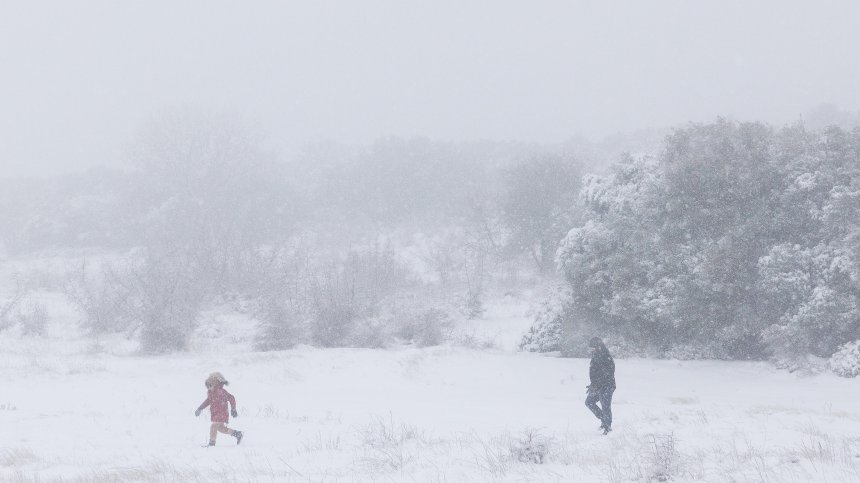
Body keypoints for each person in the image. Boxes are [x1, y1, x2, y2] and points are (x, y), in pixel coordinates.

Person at [195, 372, 244, 446]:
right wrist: (200, 408)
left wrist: (233, 408)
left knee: (213, 426)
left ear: (216, 383)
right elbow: (208, 401)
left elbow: (231, 398)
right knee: (221, 429)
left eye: (210, 384)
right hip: (215, 413)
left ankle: (212, 443)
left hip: (222, 413)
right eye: (208, 385)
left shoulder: (221, 392)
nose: (209, 387)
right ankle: (237, 434)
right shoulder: (211, 392)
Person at [585, 337, 616, 435]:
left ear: (599, 347)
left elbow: (608, 374)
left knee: (605, 406)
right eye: (591, 348)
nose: (591, 350)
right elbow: (595, 373)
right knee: (589, 402)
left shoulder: (606, 357)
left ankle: (608, 427)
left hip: (607, 386)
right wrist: (592, 385)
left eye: (593, 348)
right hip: (597, 386)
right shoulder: (595, 356)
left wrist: (597, 384)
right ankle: (603, 419)